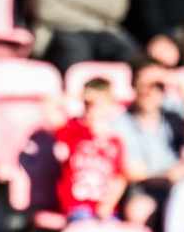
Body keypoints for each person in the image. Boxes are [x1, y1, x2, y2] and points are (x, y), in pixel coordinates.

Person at [53, 77, 128, 219]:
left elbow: (120, 177)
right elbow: (50, 109)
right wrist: (76, 96)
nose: (92, 109)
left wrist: (108, 204)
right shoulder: (73, 130)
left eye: (98, 105)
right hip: (76, 206)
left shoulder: (115, 141)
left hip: (105, 209)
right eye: (88, 104)